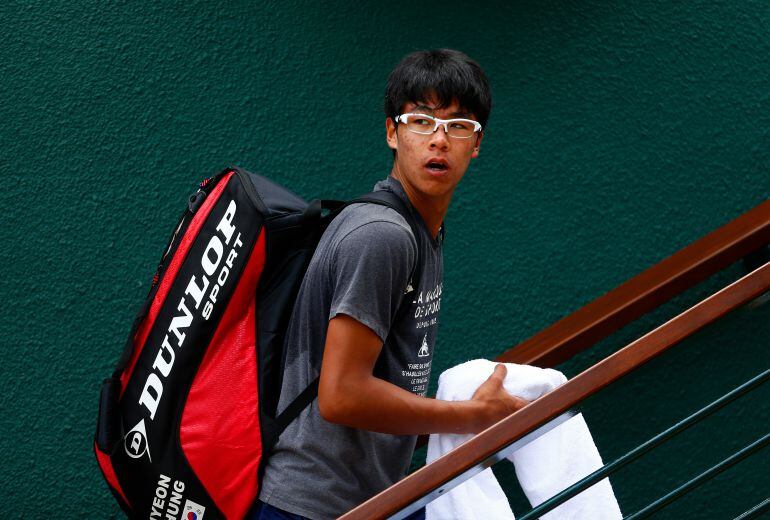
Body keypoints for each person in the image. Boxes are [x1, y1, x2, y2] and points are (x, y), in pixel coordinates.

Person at [253, 49, 528, 520]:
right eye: (421, 120)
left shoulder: (421, 232)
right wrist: (474, 415)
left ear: (477, 143)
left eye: (459, 126)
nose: (438, 140)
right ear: (391, 132)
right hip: (315, 506)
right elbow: (342, 394)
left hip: (375, 499)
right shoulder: (383, 236)